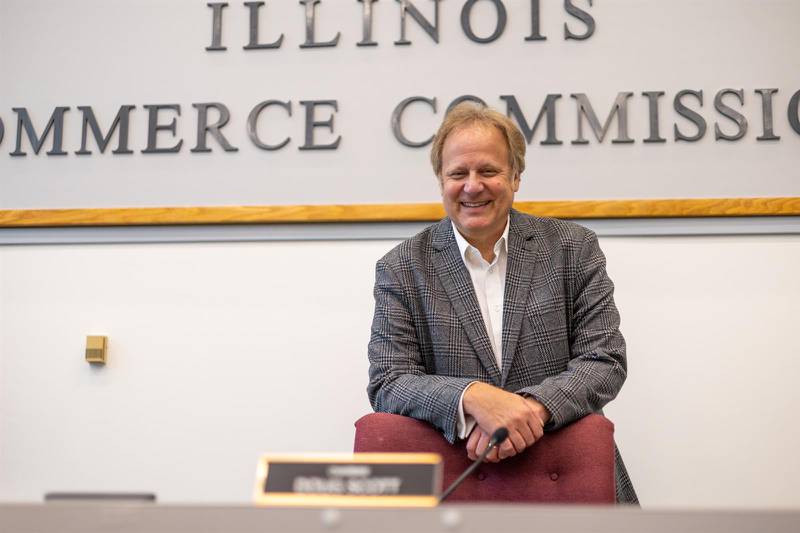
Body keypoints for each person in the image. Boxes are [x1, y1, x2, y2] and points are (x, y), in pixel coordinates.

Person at [367, 102, 638, 504]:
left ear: (515, 176)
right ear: (441, 181)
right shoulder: (402, 267)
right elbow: (389, 381)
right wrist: (473, 397)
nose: (472, 185)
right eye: (457, 173)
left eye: (488, 171)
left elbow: (604, 359)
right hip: (457, 483)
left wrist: (530, 410)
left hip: (569, 477)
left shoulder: (572, 248)